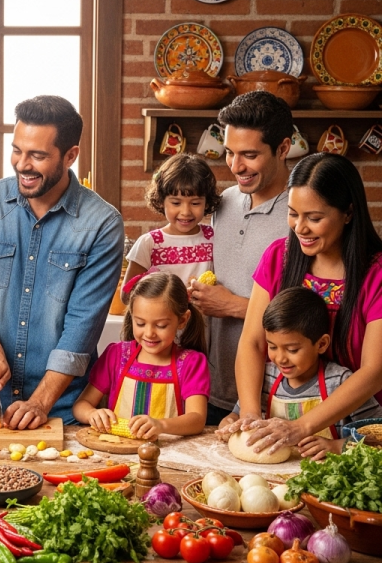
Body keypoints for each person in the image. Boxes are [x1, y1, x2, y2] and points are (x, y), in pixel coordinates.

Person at [0, 95, 124, 428]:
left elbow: (82, 327)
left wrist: (41, 402)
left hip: (63, 409)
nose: (22, 164)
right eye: (17, 150)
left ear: (71, 155)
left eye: (38, 155)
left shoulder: (102, 223)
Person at [222, 153, 382, 455]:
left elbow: (374, 371)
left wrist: (301, 427)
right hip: (288, 428)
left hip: (358, 437)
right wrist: (250, 415)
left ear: (348, 213)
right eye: (293, 213)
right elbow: (253, 343)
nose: (300, 228)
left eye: (315, 218)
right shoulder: (277, 258)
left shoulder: (377, 274)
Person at [188, 91, 293, 425]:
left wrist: (233, 305)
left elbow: (316, 311)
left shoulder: (304, 213)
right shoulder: (225, 202)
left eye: (249, 155)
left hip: (278, 393)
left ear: (283, 148)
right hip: (217, 386)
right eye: (230, 153)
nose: (235, 166)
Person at [228, 287, 382, 459]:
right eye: (272, 347)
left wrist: (337, 446)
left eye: (292, 350)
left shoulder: (339, 382)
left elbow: (377, 435)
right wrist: (231, 423)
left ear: (322, 344)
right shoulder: (266, 377)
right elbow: (238, 413)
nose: (280, 358)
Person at [74, 273, 209, 439]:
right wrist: (91, 414)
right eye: (140, 323)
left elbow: (197, 419)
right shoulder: (116, 355)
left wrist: (161, 425)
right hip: (118, 453)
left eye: (161, 325)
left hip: (167, 455)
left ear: (182, 320)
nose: (149, 333)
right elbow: (81, 405)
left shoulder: (191, 363)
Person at [120, 153, 221, 299]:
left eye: (195, 203)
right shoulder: (150, 244)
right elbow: (126, 295)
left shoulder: (213, 238)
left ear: (207, 202)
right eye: (176, 203)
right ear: (161, 200)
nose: (186, 212)